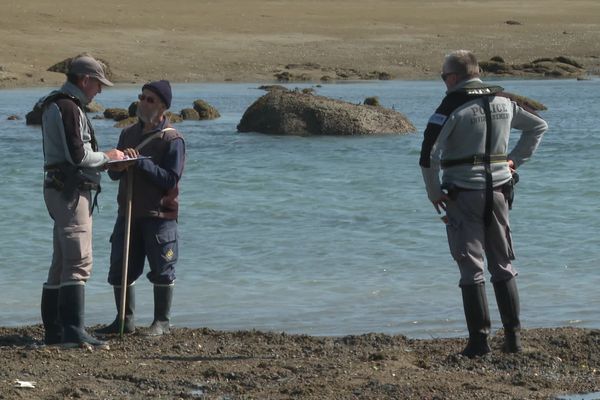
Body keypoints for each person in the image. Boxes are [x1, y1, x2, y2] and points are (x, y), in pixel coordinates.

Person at [419, 50, 548, 357]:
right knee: (503, 263)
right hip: (501, 191)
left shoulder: (451, 106)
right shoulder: (504, 100)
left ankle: (479, 343)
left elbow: (428, 155)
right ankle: (513, 340)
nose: (443, 83)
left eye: (443, 77)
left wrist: (433, 192)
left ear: (452, 77)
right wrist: (515, 160)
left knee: (471, 266)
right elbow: (538, 127)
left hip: (463, 194)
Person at [39, 55, 125, 348]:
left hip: (61, 189)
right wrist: (109, 157)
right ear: (85, 80)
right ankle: (73, 330)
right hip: (71, 192)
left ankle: (56, 331)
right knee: (78, 261)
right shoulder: (67, 107)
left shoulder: (58, 104)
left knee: (62, 262)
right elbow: (78, 156)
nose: (99, 91)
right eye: (98, 84)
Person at [96, 80, 185, 336]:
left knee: (162, 269)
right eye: (141, 97)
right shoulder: (128, 134)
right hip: (129, 212)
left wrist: (139, 163)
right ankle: (124, 320)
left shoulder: (172, 139)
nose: (143, 103)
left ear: (162, 107)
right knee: (120, 267)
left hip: (159, 215)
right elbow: (114, 175)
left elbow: (170, 179)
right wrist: (118, 166)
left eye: (150, 100)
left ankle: (161, 322)